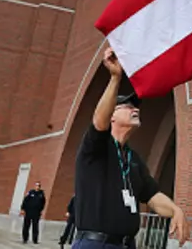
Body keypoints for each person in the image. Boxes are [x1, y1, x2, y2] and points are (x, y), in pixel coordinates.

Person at [72, 47, 185, 248]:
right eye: (127, 106)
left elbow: (152, 196)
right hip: (95, 244)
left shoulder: (133, 159)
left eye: (136, 106)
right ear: (112, 116)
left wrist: (176, 211)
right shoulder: (96, 148)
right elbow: (99, 121)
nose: (135, 109)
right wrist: (115, 78)